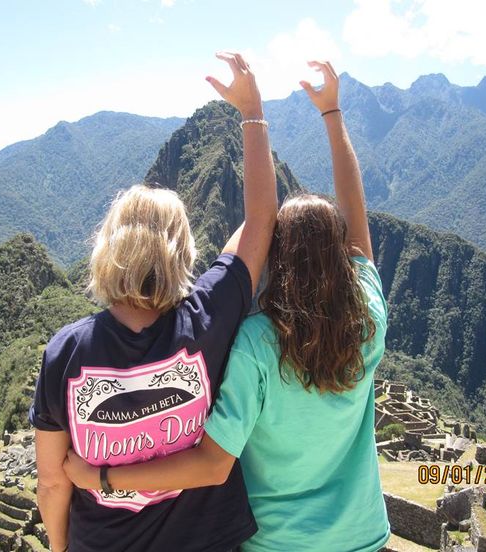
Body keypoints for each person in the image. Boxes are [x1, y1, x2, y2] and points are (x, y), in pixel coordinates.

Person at [62, 60, 391, 552]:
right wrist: (333, 114)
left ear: (277, 263)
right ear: (345, 260)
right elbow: (356, 223)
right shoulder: (367, 319)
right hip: (361, 536)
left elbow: (213, 463)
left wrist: (104, 479)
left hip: (275, 543)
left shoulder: (257, 345)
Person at [28, 51, 278, 552]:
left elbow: (54, 481)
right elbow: (261, 220)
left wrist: (58, 548)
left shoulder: (66, 353)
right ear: (181, 249)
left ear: (108, 248)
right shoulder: (211, 315)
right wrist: (252, 114)